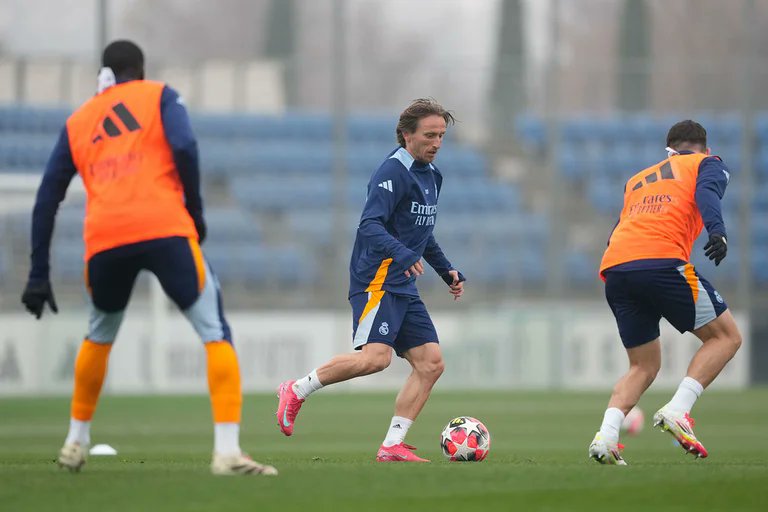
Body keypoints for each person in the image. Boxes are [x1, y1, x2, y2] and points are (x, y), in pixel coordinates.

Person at [20, 40, 276, 476]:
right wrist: (194, 211)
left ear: (104, 73)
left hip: (105, 240)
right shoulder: (159, 95)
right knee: (215, 332)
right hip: (163, 228)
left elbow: (47, 197)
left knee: (99, 336)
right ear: (139, 68)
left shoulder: (79, 120)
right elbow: (185, 147)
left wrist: (38, 271)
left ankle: (74, 443)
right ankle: (227, 452)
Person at [276, 98, 466, 462]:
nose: (437, 142)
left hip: (402, 283)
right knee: (376, 359)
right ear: (407, 134)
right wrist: (404, 255)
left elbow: (421, 232)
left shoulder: (432, 175)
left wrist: (446, 270)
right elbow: (369, 225)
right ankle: (297, 389)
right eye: (430, 135)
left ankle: (392, 445)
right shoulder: (392, 172)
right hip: (377, 278)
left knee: (431, 363)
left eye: (441, 135)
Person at [588, 120, 742, 465]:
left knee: (642, 365)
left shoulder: (638, 179)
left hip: (616, 268)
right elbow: (707, 194)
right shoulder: (708, 163)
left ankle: (606, 437)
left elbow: (619, 228)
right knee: (726, 338)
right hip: (660, 262)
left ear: (668, 151)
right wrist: (717, 232)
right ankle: (678, 410)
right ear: (704, 147)